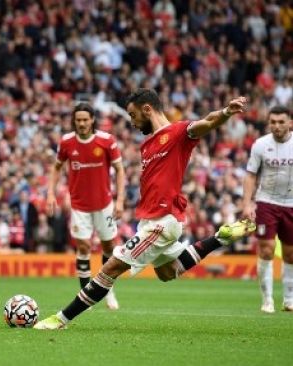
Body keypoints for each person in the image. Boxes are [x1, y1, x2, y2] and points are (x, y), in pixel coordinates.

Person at [34, 89, 256, 330]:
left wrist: (226, 111)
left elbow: (209, 121)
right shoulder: (147, 145)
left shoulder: (179, 132)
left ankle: (61, 319)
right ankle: (219, 238)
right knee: (167, 272)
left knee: (112, 266)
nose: (132, 121)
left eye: (133, 115)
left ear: (147, 109)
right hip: (150, 220)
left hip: (164, 221)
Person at [46, 102, 126, 310]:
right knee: (83, 247)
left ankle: (107, 290)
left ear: (92, 120)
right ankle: (86, 293)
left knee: (109, 247)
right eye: (78, 120)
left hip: (104, 205)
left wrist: (119, 201)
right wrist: (50, 193)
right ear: (74, 120)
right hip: (79, 206)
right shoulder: (66, 142)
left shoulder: (106, 141)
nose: (81, 123)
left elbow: (120, 170)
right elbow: (56, 168)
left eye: (85, 119)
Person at [242, 105, 293, 313]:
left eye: (281, 122)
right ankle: (267, 300)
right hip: (267, 202)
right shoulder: (260, 145)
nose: (277, 126)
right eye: (273, 122)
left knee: (291, 254)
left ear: (290, 123)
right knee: (266, 249)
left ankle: (289, 299)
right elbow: (251, 175)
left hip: (291, 203)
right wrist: (247, 203)